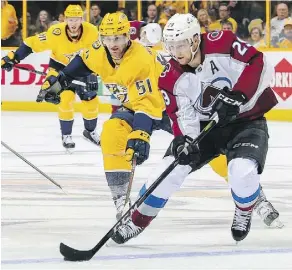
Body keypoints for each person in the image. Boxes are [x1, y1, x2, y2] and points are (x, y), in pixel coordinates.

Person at [111, 13, 282, 244]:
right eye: (170, 46)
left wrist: (238, 96)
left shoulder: (222, 42)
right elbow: (181, 114)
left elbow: (258, 62)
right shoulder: (169, 75)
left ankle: (244, 209)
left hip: (246, 121)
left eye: (180, 44)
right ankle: (137, 220)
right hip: (206, 128)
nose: (175, 51)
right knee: (168, 171)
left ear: (193, 40)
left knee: (241, 171)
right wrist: (184, 140)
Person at [31, 12, 165, 222]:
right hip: (133, 106)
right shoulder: (99, 51)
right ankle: (121, 198)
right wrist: (58, 84)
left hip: (171, 107)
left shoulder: (140, 59)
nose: (113, 44)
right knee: (111, 132)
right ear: (101, 37)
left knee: (207, 151)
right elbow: (79, 65)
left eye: (118, 38)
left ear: (128, 36)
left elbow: (147, 103)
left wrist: (141, 133)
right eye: (108, 38)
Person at [1, 5, 101, 151]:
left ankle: (90, 131)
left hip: (83, 69)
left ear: (81, 19)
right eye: (70, 19)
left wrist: (93, 73)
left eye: (76, 19)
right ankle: (66, 135)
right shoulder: (55, 33)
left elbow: (100, 54)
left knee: (91, 101)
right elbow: (31, 43)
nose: (73, 23)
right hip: (60, 68)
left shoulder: (92, 32)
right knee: (65, 99)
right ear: (65, 19)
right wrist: (14, 58)